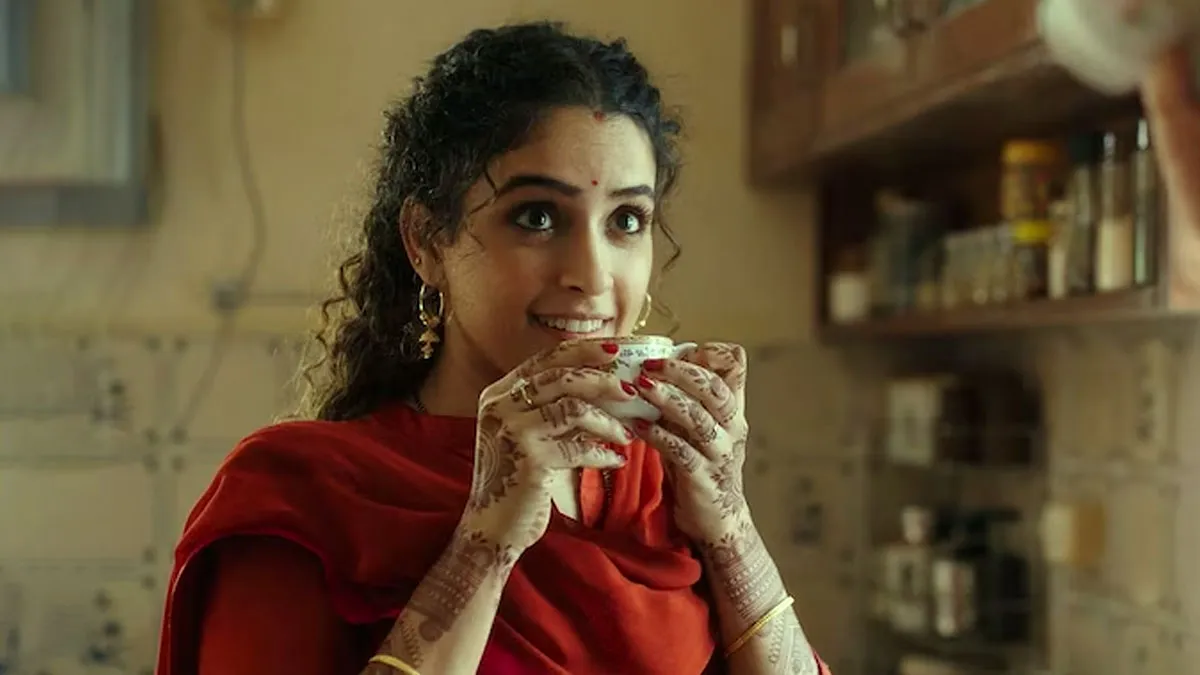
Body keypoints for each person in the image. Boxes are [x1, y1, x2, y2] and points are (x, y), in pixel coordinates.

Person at [155, 21, 831, 675]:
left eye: (626, 220)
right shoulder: (305, 496)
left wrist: (730, 529)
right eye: (537, 217)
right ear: (426, 241)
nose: (593, 275)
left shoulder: (660, 488)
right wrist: (483, 544)